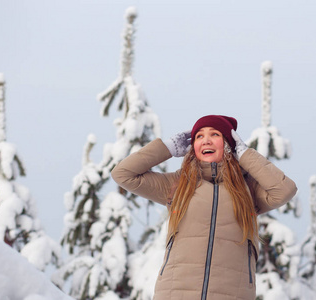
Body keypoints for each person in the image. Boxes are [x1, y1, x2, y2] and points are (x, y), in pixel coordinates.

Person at [111, 115, 297, 300]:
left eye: (215, 134)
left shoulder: (247, 189)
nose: (206, 140)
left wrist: (246, 155)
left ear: (228, 145)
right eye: (199, 136)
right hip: (175, 293)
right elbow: (123, 174)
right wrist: (166, 148)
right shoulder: (178, 185)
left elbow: (285, 190)